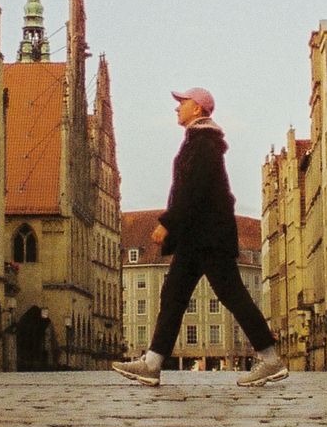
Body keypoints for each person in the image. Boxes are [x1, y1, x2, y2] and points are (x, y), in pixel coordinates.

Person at [115, 88, 287, 387]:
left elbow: (191, 189)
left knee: (231, 294)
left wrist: (168, 222)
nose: (177, 108)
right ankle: (153, 362)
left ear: (197, 108)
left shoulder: (203, 143)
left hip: (208, 237)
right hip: (199, 237)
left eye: (182, 103)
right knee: (174, 296)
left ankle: (270, 359)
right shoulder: (199, 141)